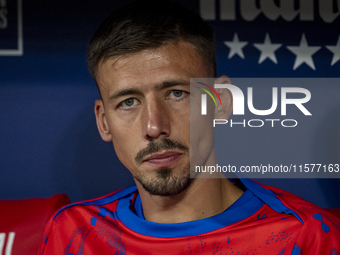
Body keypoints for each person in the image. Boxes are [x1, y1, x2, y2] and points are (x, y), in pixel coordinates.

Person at [38, 0, 340, 254]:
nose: (154, 127)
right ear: (104, 122)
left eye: (177, 94)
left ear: (220, 102)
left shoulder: (308, 236)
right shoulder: (72, 233)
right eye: (128, 102)